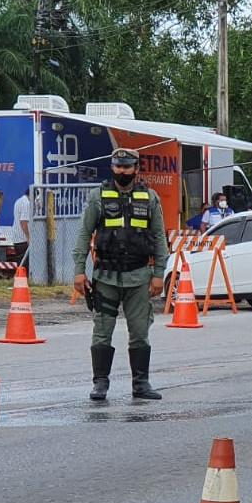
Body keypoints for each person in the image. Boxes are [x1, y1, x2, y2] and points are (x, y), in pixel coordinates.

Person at [73, 148, 165, 403]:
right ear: (112, 167)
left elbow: (159, 238)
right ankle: (100, 384)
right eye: (117, 166)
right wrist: (79, 271)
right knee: (102, 331)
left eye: (126, 167)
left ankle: (141, 384)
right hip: (106, 278)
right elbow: (83, 235)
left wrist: (159, 274)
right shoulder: (98, 197)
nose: (121, 171)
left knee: (139, 331)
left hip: (138, 277)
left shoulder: (150, 198)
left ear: (137, 169)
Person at [9, 184, 32, 273]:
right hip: (23, 239)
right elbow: (24, 222)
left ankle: (20, 278)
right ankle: (23, 279)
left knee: (21, 262)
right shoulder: (27, 203)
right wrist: (28, 237)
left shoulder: (19, 201)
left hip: (17, 238)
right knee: (25, 263)